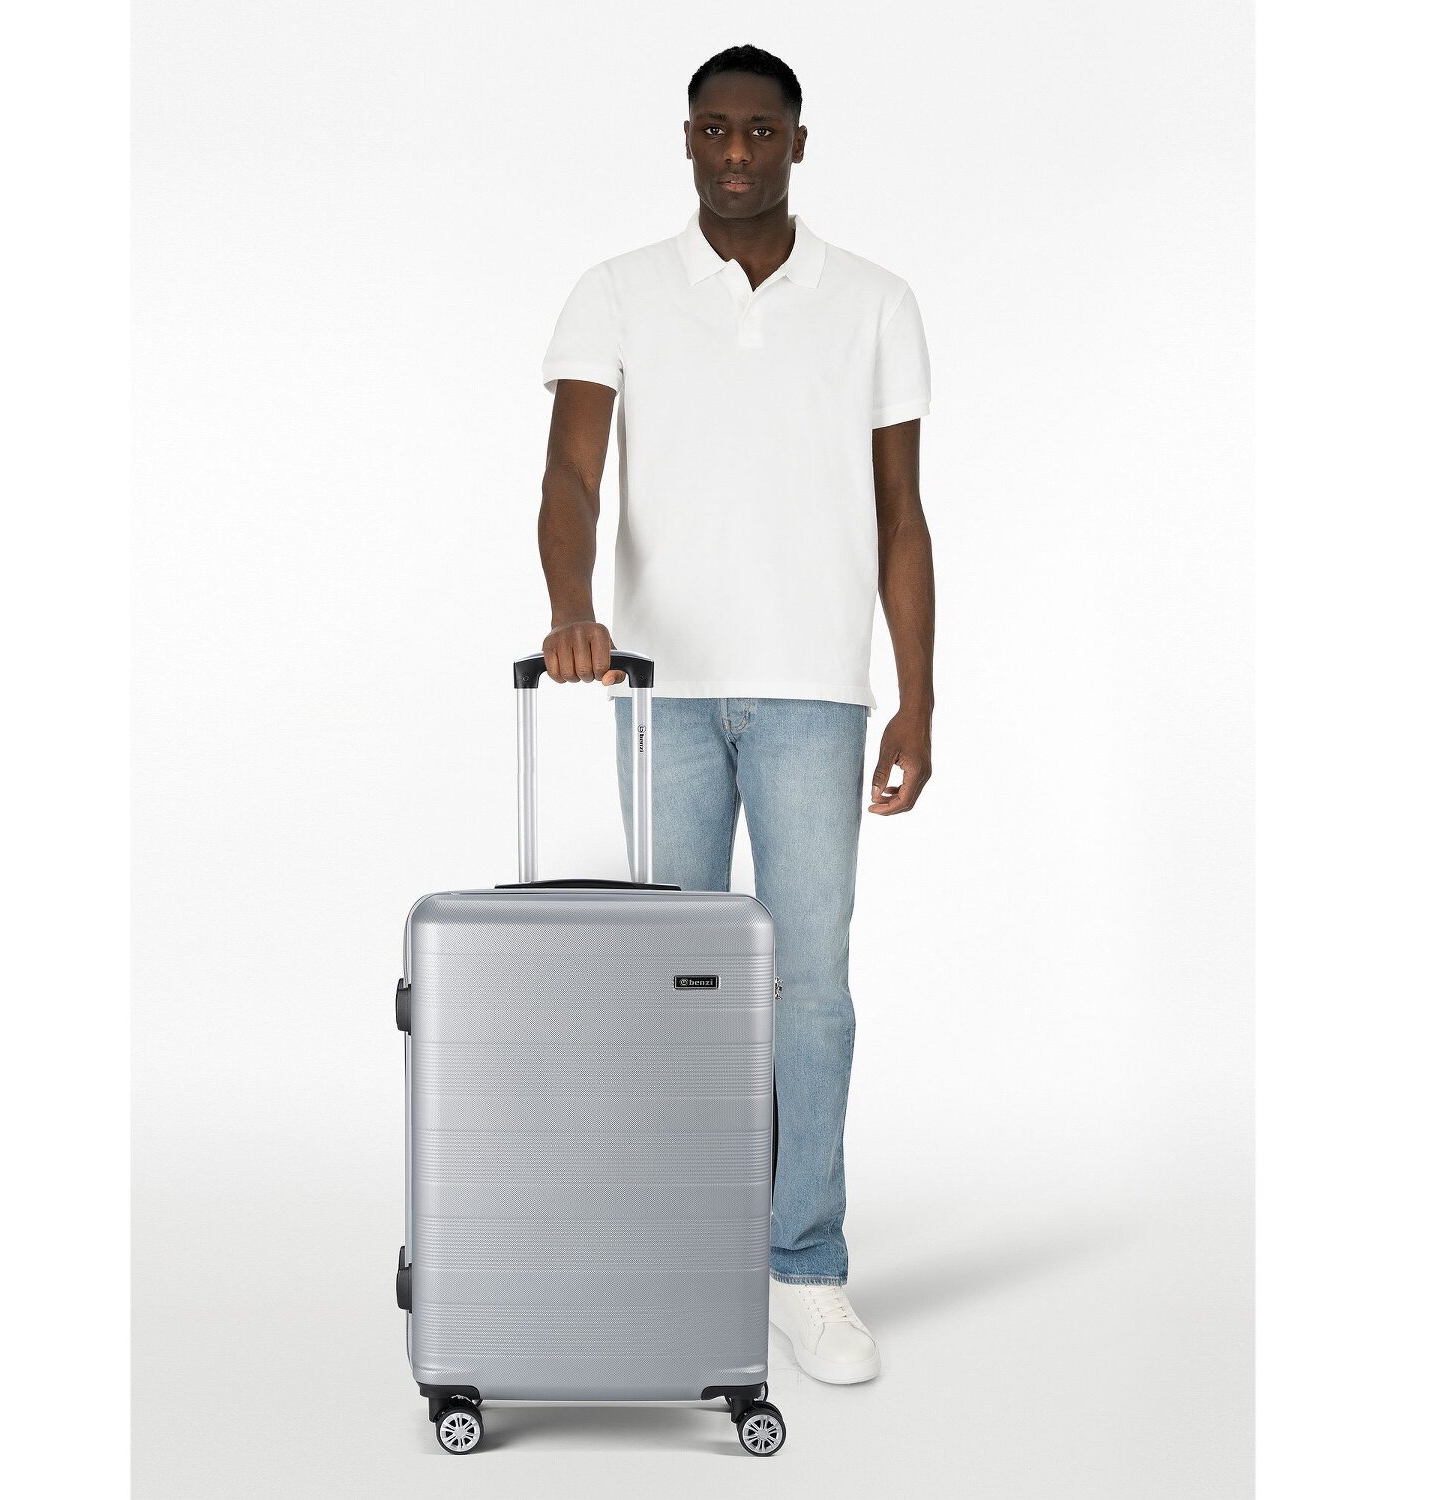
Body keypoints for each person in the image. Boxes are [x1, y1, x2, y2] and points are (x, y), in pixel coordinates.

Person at [534, 44, 934, 1386]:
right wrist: (573, 607)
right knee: (679, 986)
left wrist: (918, 695)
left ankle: (805, 1269)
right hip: (664, 690)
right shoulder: (617, 290)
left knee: (810, 993)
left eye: (763, 132)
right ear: (688, 139)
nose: (739, 154)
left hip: (817, 690)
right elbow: (572, 476)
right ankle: (687, 1254)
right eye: (716, 130)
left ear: (798, 144)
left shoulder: (874, 302)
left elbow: (901, 515)